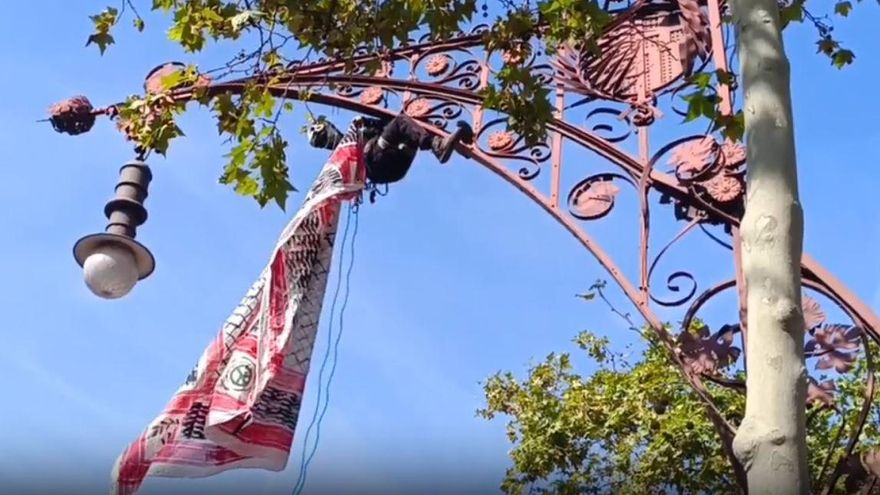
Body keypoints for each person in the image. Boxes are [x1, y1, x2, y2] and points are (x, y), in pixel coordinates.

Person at [306, 113, 473, 185]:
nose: (330, 135)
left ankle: (453, 143)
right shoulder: (344, 147)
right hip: (377, 160)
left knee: (415, 126)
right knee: (402, 122)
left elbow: (386, 125)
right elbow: (391, 123)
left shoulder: (356, 135)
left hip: (395, 167)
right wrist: (365, 123)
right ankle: (439, 146)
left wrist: (367, 121)